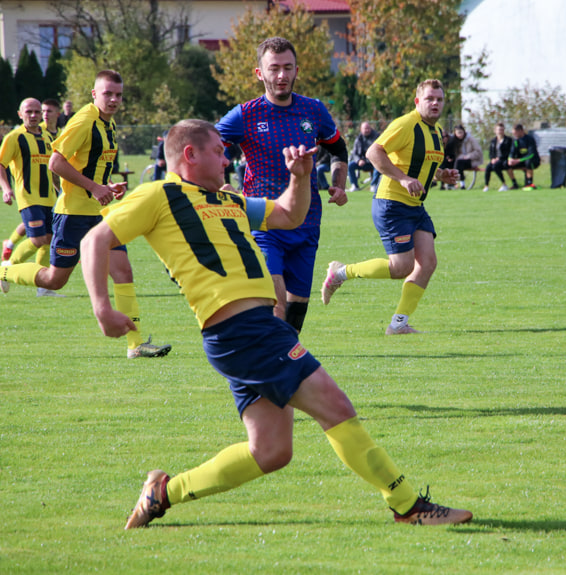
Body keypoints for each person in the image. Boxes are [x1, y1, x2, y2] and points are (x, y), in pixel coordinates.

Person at [80, 119, 472, 529]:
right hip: (243, 332)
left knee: (270, 451)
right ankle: (408, 505)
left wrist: (300, 177)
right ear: (189, 155)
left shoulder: (226, 199)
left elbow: (287, 214)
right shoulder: (160, 193)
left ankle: (163, 492)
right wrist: (102, 308)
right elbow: (96, 240)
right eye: (217, 149)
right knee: (335, 407)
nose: (226, 155)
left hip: (255, 331)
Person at [0, 70, 172, 358]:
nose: (114, 99)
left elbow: (89, 165)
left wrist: (106, 186)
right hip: (73, 215)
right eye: (108, 94)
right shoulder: (84, 120)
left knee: (123, 271)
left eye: (118, 94)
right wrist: (93, 187)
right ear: (95, 94)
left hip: (101, 213)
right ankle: (4, 269)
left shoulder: (109, 123)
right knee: (56, 279)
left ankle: (136, 344)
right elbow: (55, 162)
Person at [216, 37, 349, 333]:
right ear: (259, 73)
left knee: (296, 308)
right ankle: (268, 365)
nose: (281, 75)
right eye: (274, 68)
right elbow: (208, 147)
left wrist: (338, 184)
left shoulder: (314, 111)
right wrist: (221, 186)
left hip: (307, 219)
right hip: (263, 221)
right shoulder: (244, 115)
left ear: (297, 71)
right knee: (276, 302)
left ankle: (283, 360)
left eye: (288, 68)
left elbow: (339, 149)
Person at [319, 79, 460, 335]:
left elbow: (420, 163)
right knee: (401, 267)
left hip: (415, 206)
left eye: (439, 99)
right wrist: (403, 180)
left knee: (427, 262)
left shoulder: (437, 131)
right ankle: (340, 273)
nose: (436, 103)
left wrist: (442, 175)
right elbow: (374, 152)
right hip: (392, 204)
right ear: (418, 101)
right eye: (430, 98)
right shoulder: (407, 124)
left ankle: (398, 324)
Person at [0, 98, 62, 296]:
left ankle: (43, 288)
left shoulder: (47, 137)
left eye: (37, 111)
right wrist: (6, 189)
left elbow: (53, 167)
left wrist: (61, 190)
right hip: (28, 197)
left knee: (50, 239)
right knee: (37, 239)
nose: (34, 115)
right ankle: (5, 269)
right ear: (20, 114)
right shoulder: (15, 137)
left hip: (50, 198)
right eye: (29, 112)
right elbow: (1, 164)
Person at [483, 122, 517, 192]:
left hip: (504, 160)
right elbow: (491, 152)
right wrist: (492, 158)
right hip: (495, 160)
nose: (500, 131)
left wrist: (499, 158)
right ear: (495, 131)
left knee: (495, 166)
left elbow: (509, 152)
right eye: (498, 130)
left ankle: (504, 184)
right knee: (488, 167)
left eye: (502, 130)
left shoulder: (508, 140)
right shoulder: (493, 141)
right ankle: (486, 185)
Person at [347, 121, 380, 192]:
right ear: (361, 130)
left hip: (373, 162)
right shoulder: (358, 139)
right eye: (365, 129)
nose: (367, 130)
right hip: (362, 163)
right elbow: (355, 153)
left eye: (368, 128)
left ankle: (373, 185)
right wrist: (359, 160)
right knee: (350, 165)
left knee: (378, 167)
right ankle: (354, 185)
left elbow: (378, 151)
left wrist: (370, 160)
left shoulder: (376, 137)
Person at [507, 124, 540, 189]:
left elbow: (531, 154)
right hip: (521, 161)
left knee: (528, 162)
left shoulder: (529, 139)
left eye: (515, 133)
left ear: (521, 131)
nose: (514, 135)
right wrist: (510, 159)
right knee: (506, 165)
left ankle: (530, 184)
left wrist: (518, 160)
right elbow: (512, 152)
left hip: (534, 160)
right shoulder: (515, 140)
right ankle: (515, 184)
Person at [449, 125, 482, 189]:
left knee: (458, 163)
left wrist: (468, 156)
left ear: (464, 132)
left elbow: (478, 152)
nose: (460, 134)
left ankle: (456, 183)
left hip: (472, 160)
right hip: (460, 160)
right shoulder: (454, 141)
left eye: (461, 132)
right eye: (458, 133)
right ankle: (451, 183)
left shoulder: (471, 139)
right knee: (450, 162)